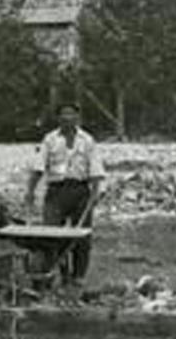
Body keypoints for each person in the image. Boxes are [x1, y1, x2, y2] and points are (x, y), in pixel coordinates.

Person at [25, 103, 105, 283]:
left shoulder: (87, 140)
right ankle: (58, 273)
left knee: (82, 237)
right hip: (56, 191)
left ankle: (78, 276)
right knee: (51, 235)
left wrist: (95, 194)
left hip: (80, 191)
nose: (68, 118)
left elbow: (96, 171)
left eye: (72, 114)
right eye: (64, 114)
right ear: (58, 118)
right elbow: (38, 167)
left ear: (78, 118)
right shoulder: (50, 140)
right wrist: (30, 191)